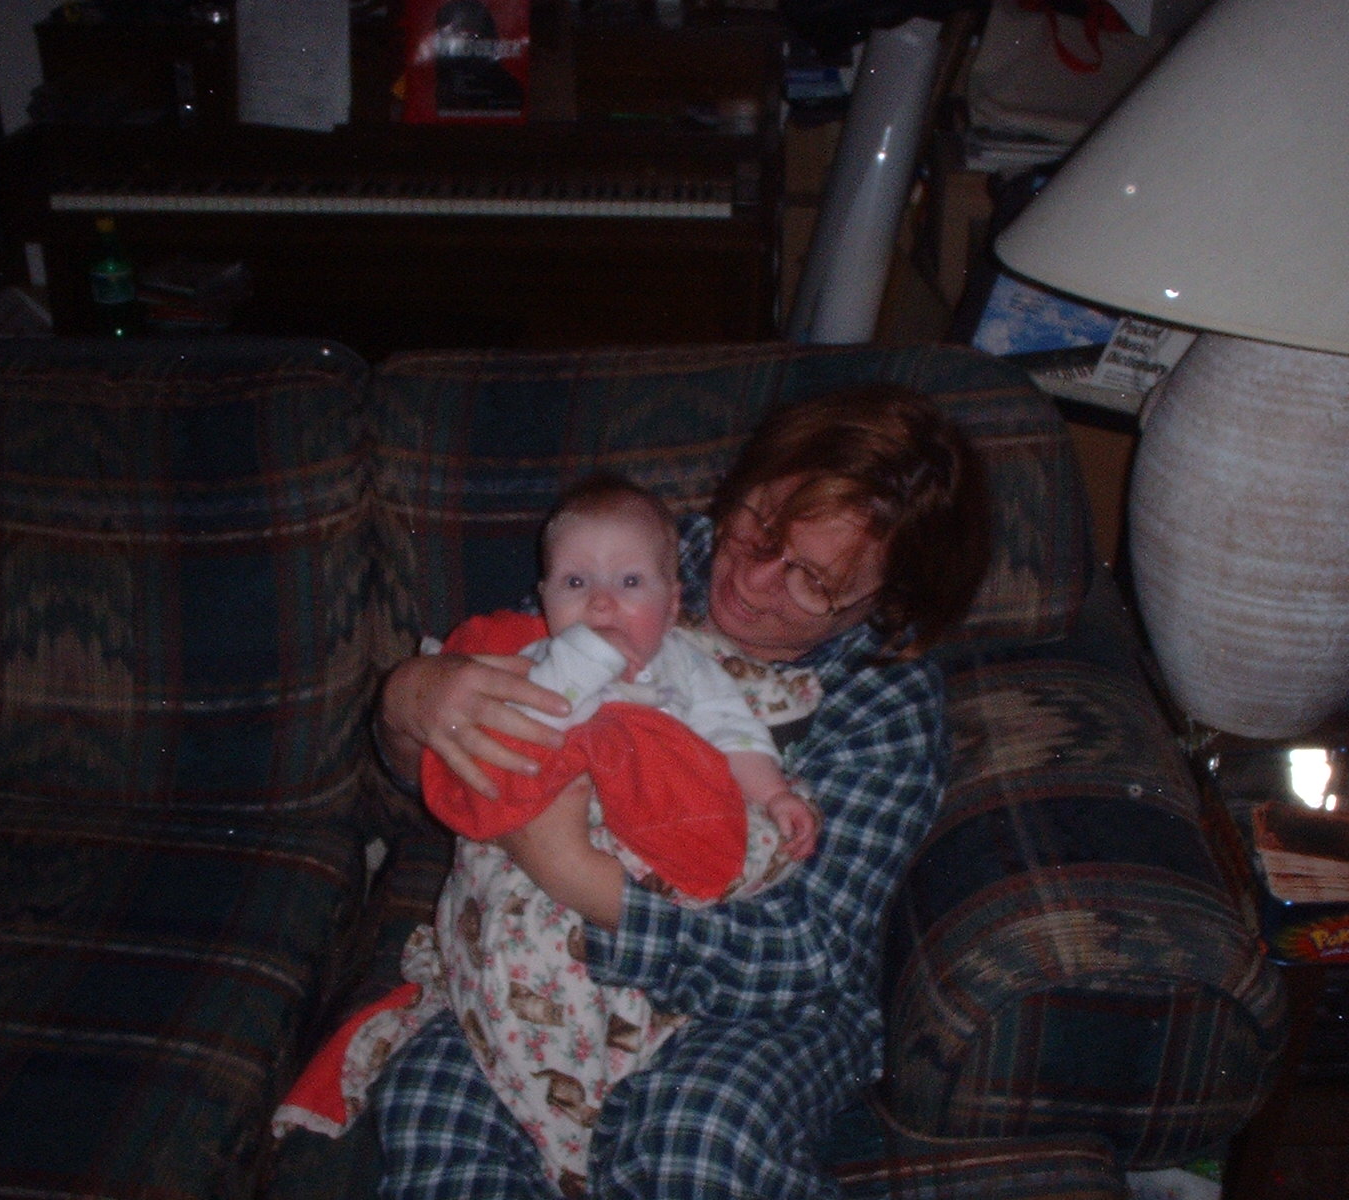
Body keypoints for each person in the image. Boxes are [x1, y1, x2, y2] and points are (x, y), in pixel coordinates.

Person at [371, 383, 991, 1199]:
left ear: (888, 602)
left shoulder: (887, 703)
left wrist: (576, 874)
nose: (752, 581)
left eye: (812, 579)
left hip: (759, 996)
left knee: (692, 1145)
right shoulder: (640, 555)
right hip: (537, 952)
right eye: (759, 525)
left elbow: (805, 953)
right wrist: (409, 700)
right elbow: (444, 756)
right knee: (435, 1112)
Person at [274, 477, 819, 1195]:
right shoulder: (529, 658)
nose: (601, 604)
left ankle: (593, 1106)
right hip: (521, 875)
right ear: (545, 597)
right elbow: (504, 734)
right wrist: (572, 660)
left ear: (672, 603)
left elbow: (736, 735)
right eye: (575, 583)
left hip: (635, 871)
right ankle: (558, 1130)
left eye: (630, 583)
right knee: (491, 1008)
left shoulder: (691, 667)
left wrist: (775, 794)